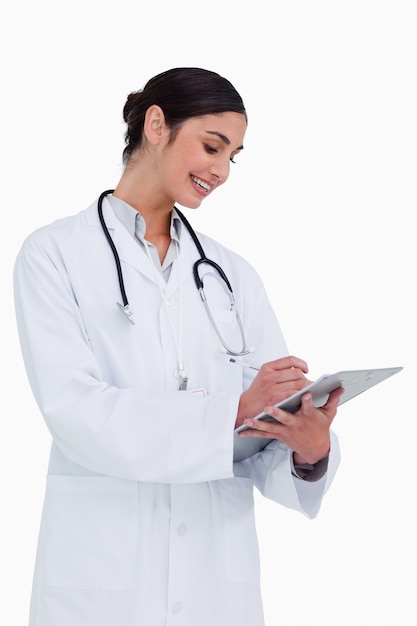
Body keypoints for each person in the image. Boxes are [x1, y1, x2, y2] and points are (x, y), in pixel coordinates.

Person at [13, 67, 343, 626]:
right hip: (102, 585)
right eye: (212, 146)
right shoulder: (54, 255)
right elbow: (76, 412)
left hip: (216, 587)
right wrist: (228, 412)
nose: (221, 170)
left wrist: (309, 452)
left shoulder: (232, 276)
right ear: (157, 125)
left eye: (233, 156)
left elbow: (262, 430)